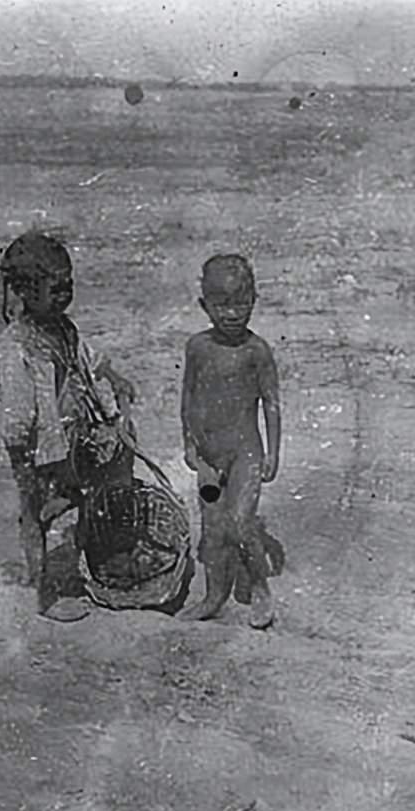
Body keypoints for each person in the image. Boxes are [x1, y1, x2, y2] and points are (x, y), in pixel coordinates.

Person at [0, 231, 136, 613]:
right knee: (34, 509)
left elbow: (88, 360)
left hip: (67, 437)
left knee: (84, 489)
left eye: (69, 286)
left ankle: (85, 552)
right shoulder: (16, 345)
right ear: (25, 291)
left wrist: (113, 378)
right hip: (33, 445)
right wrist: (21, 452)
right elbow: (16, 408)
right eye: (56, 289)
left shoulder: (63, 328)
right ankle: (43, 594)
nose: (65, 295)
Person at [177, 253, 282, 629]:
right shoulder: (197, 347)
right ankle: (214, 596)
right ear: (204, 304)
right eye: (222, 305)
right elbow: (188, 397)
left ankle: (260, 586)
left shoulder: (257, 351)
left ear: (254, 300)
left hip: (245, 455)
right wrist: (189, 444)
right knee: (212, 529)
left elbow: (271, 403)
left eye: (241, 303)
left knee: (239, 523)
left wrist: (273, 452)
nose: (233, 314)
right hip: (209, 459)